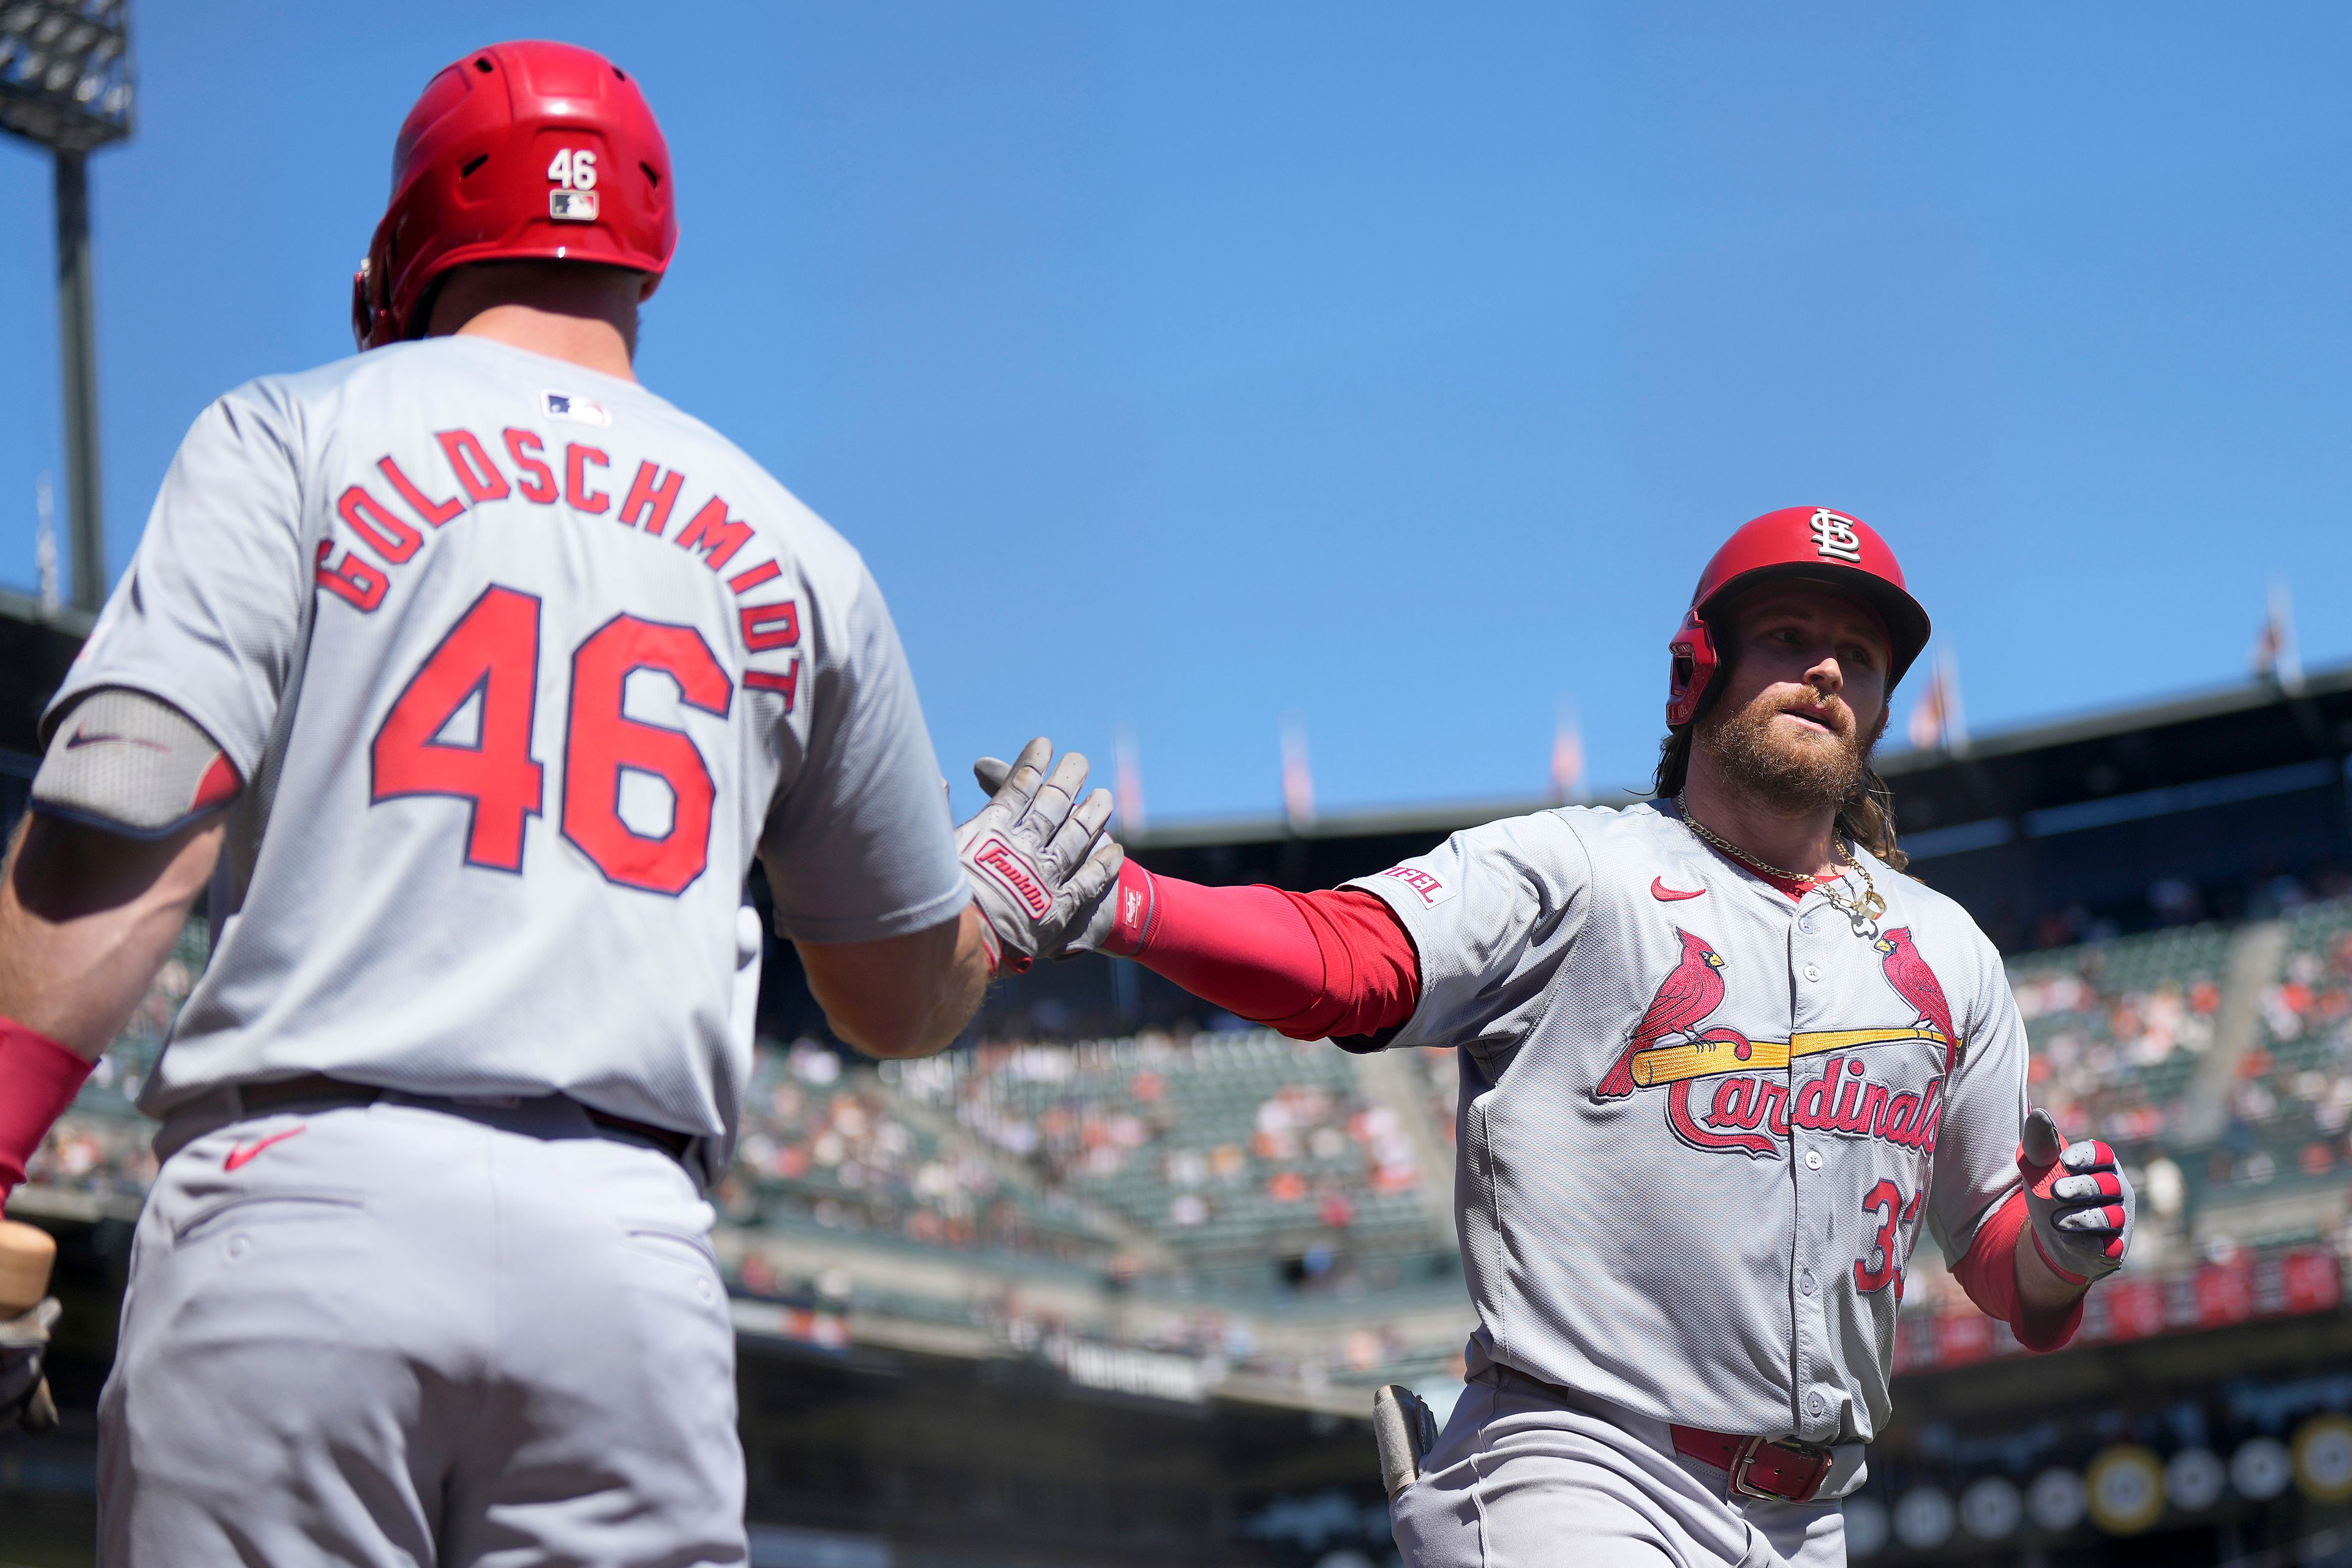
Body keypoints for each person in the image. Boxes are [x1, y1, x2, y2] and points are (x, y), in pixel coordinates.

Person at [0, 40, 1113, 1566]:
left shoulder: (296, 430)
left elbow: (129, 813)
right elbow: (896, 998)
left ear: (409, 246)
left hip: (304, 1206)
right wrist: (986, 907)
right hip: (625, 1256)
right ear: (644, 262)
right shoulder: (797, 551)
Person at [1016, 507, 2135, 1567]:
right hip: (1580, 1466)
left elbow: (2001, 1261)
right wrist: (1130, 906)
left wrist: (2059, 1249)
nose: (1829, 668)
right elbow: (1348, 961)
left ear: (1883, 711)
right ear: (1697, 670)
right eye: (1789, 637)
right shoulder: (1580, 870)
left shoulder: (1948, 951)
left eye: (1860, 653)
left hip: (1812, 1519)